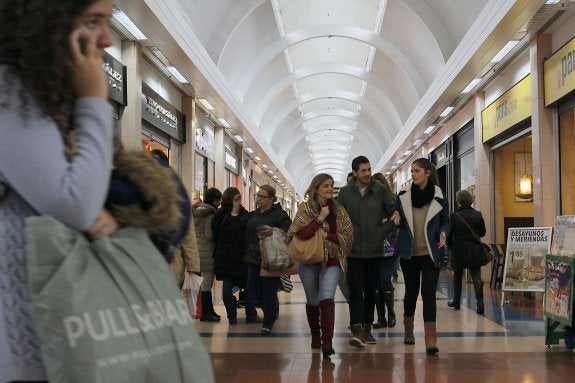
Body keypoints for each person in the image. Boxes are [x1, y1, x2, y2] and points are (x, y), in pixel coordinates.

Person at [0, 1, 115, 381]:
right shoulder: (9, 91)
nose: (107, 39)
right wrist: (94, 101)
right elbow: (75, 203)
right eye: (93, 22)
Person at [287, 174, 353, 358]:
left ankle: (327, 343)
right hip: (308, 260)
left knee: (327, 298)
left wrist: (327, 237)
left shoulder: (339, 210)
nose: (330, 189)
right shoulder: (305, 208)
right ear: (316, 188)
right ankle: (316, 336)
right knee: (313, 300)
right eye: (326, 185)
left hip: (331, 259)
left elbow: (346, 236)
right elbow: (299, 235)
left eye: (332, 185)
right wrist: (319, 219)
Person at [391, 158, 450, 355]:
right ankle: (408, 330)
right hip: (409, 252)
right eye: (412, 171)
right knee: (411, 291)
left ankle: (430, 339)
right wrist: (396, 218)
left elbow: (445, 220)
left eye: (416, 171)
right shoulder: (403, 196)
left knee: (428, 293)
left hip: (431, 251)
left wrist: (444, 231)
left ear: (427, 173)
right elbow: (395, 216)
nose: (413, 174)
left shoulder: (440, 197)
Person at [337, 156, 396, 348]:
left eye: (369, 169)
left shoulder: (380, 190)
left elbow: (394, 214)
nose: (368, 173)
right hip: (353, 252)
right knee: (355, 291)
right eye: (363, 170)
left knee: (371, 291)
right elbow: (338, 220)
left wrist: (382, 233)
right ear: (354, 173)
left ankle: (368, 328)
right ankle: (357, 328)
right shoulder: (345, 194)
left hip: (374, 251)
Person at [244, 185, 291, 335]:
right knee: (252, 287)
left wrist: (275, 230)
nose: (258, 199)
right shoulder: (255, 213)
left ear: (271, 199)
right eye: (257, 196)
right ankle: (271, 310)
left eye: (262, 196)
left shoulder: (279, 214)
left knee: (269, 290)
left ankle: (268, 322)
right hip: (254, 257)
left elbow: (289, 231)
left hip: (271, 258)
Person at [213, 187, 261, 325]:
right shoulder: (234, 213)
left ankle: (233, 316)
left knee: (229, 286)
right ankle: (250, 314)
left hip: (226, 256)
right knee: (247, 286)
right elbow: (236, 230)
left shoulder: (220, 214)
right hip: (238, 256)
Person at [447, 190, 487, 314]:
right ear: (470, 200)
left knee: (457, 277)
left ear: (458, 201)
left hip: (459, 248)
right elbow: (482, 232)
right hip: (474, 248)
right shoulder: (478, 214)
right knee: (476, 276)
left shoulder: (454, 216)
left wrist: (451, 247)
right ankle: (480, 304)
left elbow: (449, 235)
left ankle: (457, 302)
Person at [371, 173, 398, 329]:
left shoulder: (392, 201)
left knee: (384, 279)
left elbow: (397, 222)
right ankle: (381, 317)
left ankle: (391, 314)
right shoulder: (369, 201)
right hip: (373, 248)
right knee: (376, 282)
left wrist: (385, 222)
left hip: (389, 247)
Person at [193, 187, 222, 322]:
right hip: (208, 251)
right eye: (218, 200)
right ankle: (206, 312)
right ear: (214, 199)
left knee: (204, 281)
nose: (220, 203)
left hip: (198, 250)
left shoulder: (196, 212)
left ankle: (208, 311)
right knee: (207, 282)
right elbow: (209, 235)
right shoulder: (210, 214)